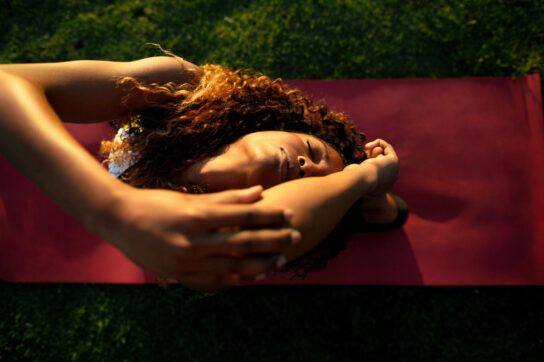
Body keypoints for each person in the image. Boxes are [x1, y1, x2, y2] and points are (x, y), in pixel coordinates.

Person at [0, 55, 405, 292]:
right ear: (282, 123)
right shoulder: (180, 86)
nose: (306, 168)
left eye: (318, 184)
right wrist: (114, 211)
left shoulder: (208, 233)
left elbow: (284, 225)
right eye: (315, 152)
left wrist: (362, 181)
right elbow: (7, 80)